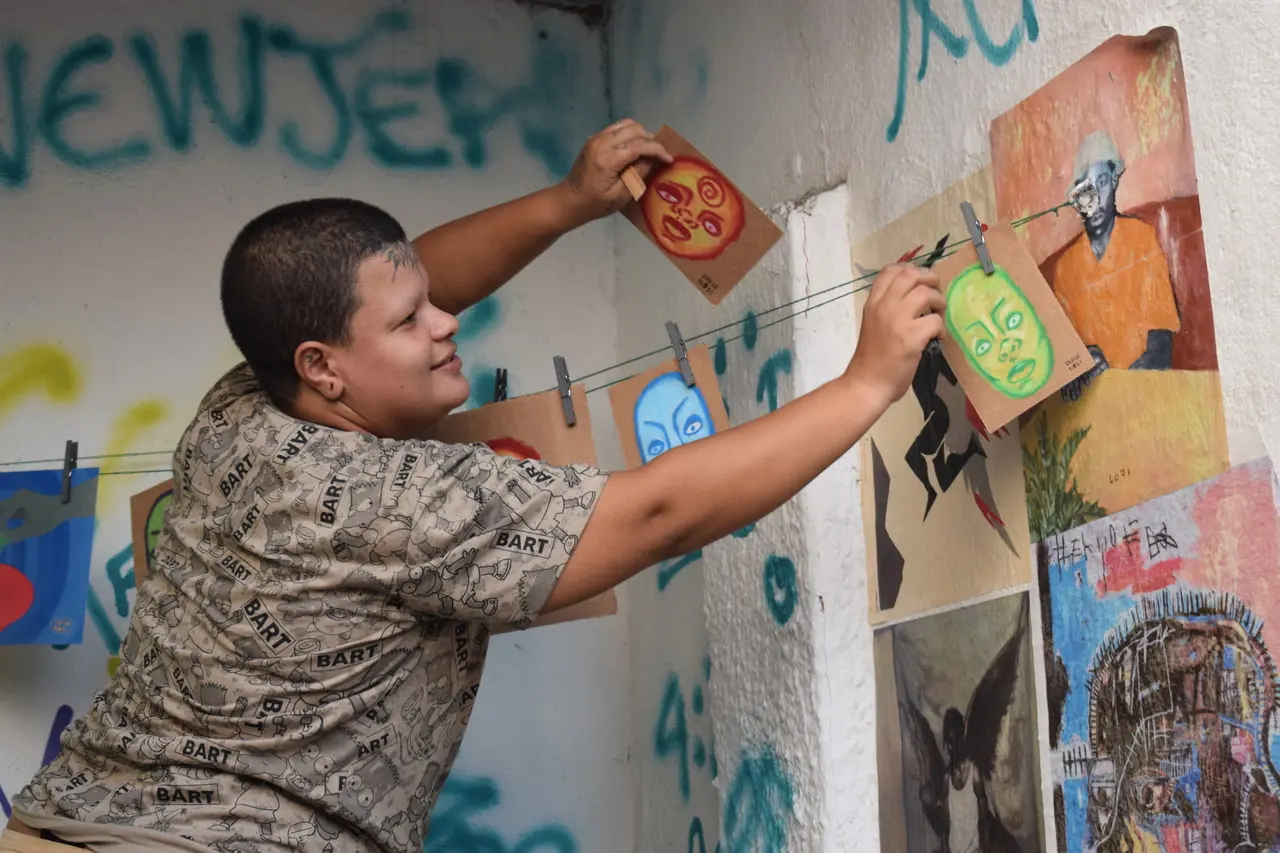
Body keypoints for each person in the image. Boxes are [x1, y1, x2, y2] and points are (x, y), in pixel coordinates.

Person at [7, 119, 945, 853]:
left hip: (60, 824)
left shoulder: (237, 411)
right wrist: (865, 382)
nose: (448, 320)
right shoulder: (404, 502)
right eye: (415, 319)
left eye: (430, 298)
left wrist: (567, 203)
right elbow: (657, 512)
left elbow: (388, 285)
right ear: (325, 367)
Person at [1054, 129, 1180, 402]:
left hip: (1140, 395)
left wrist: (1120, 388)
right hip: (1092, 409)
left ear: (1114, 181)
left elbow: (1161, 345)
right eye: (1085, 189)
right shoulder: (1065, 269)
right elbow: (1061, 367)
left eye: (1101, 183)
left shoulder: (1141, 239)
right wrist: (1077, 366)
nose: (1095, 199)